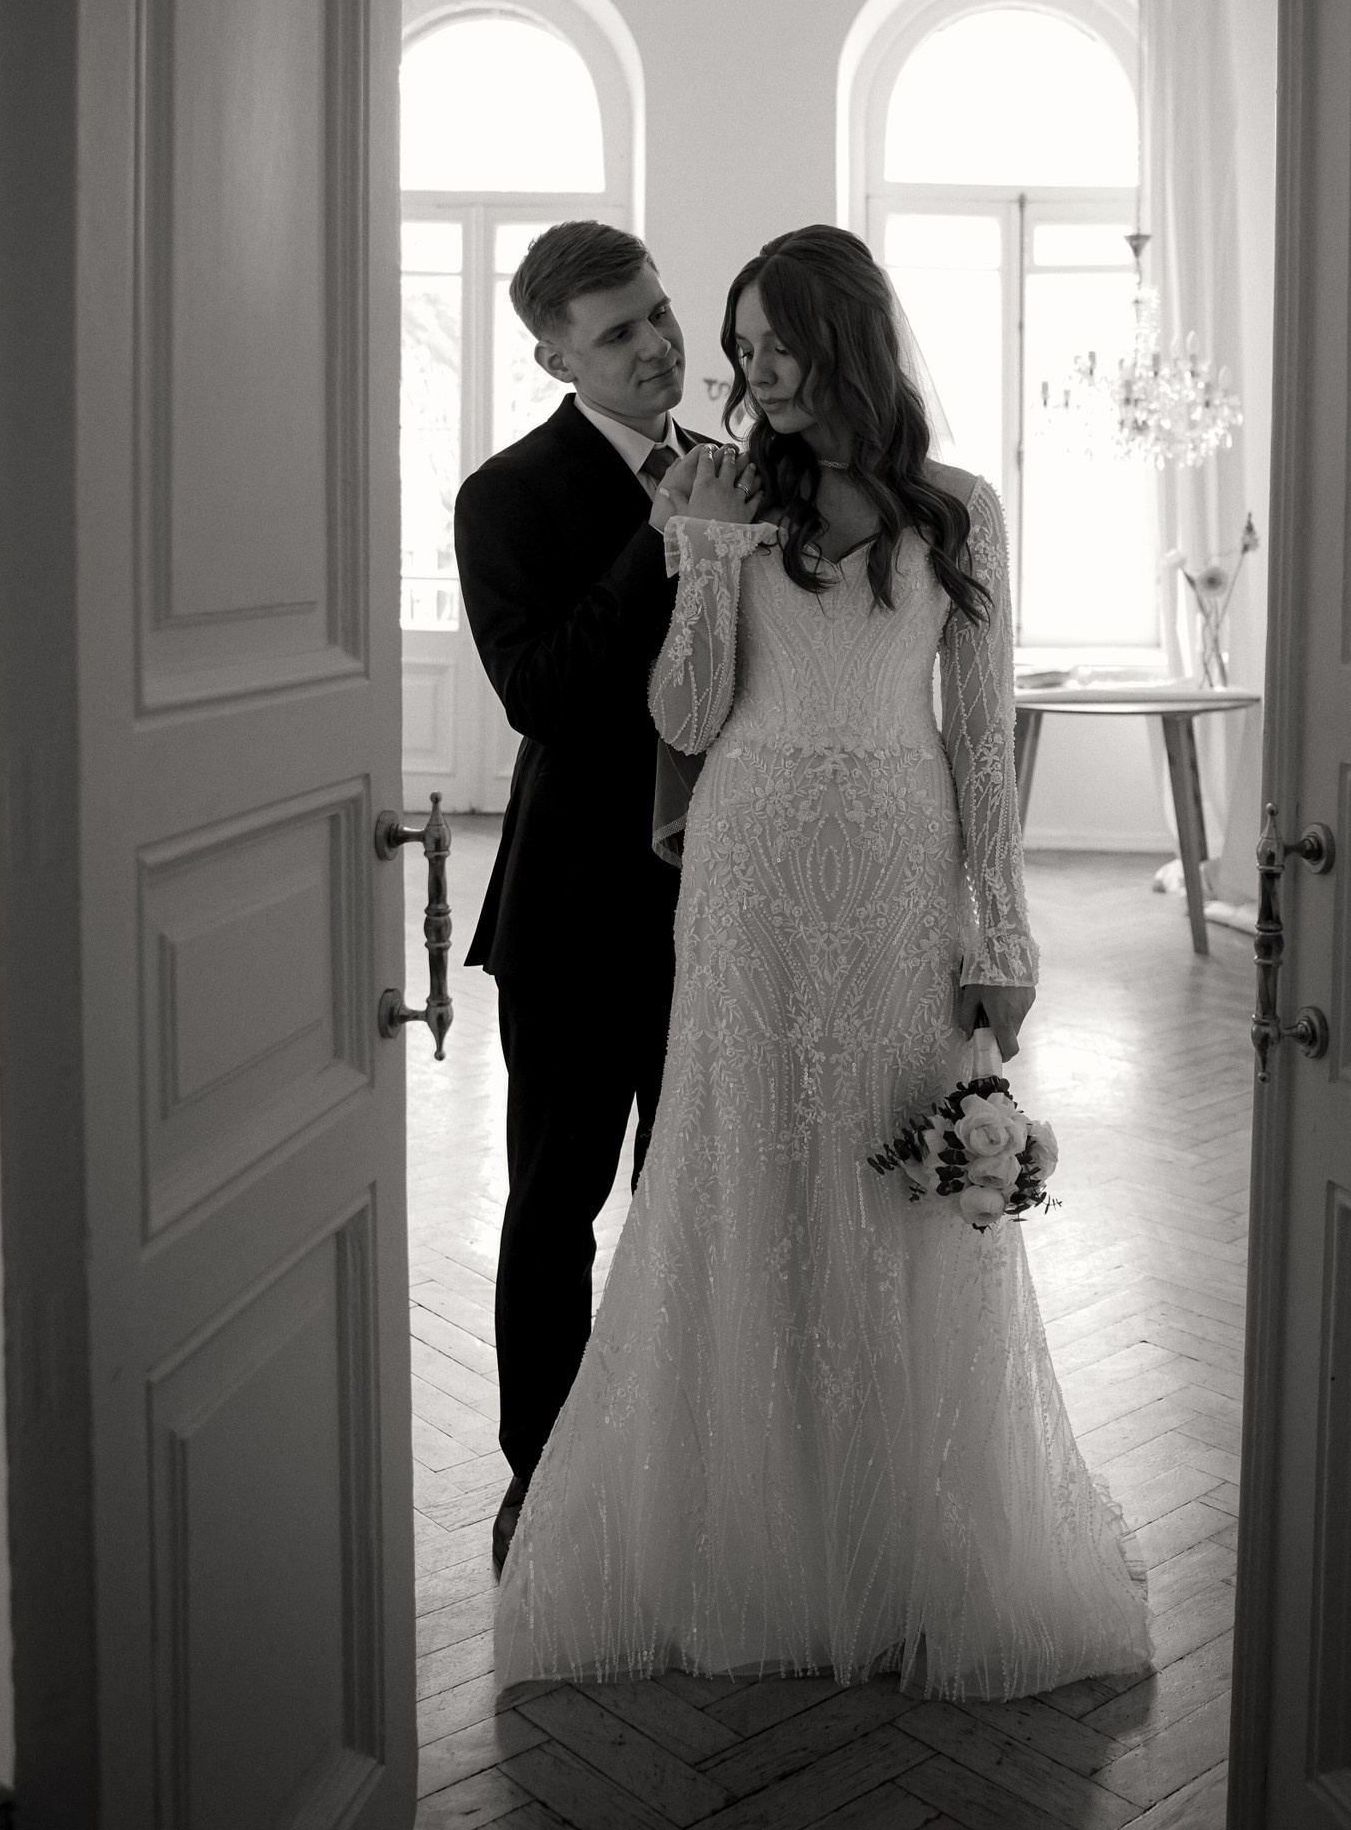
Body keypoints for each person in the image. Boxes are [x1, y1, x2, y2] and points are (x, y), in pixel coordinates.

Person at [490, 224, 1149, 1697]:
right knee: (738, 1172)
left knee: (886, 1175)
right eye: (741, 348)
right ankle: (740, 1519)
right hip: (744, 877)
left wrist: (1005, 929)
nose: (749, 370)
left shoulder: (961, 509)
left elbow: (982, 742)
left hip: (902, 877)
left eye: (772, 342)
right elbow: (682, 714)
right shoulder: (734, 492)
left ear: (845, 336)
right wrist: (702, 553)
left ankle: (897, 1527)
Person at [453, 220, 729, 1573]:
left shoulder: (733, 472)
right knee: (555, 1208)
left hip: (725, 905)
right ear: (555, 357)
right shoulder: (506, 497)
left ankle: (683, 1460)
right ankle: (543, 1478)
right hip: (571, 911)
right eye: (619, 332)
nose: (658, 345)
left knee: (696, 1201)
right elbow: (544, 694)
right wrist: (662, 542)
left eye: (660, 313)